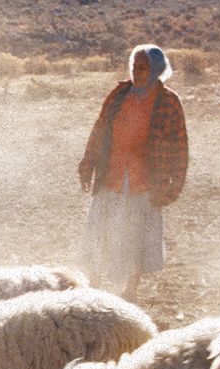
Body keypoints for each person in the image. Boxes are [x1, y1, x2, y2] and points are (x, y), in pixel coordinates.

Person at [77, 44, 188, 301]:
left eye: (143, 67)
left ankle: (130, 290)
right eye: (134, 66)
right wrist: (87, 164)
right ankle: (93, 285)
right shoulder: (119, 95)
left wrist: (174, 184)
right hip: (112, 174)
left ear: (156, 70)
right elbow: (100, 130)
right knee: (100, 227)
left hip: (146, 179)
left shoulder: (168, 103)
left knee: (136, 232)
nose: (137, 72)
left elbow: (179, 145)